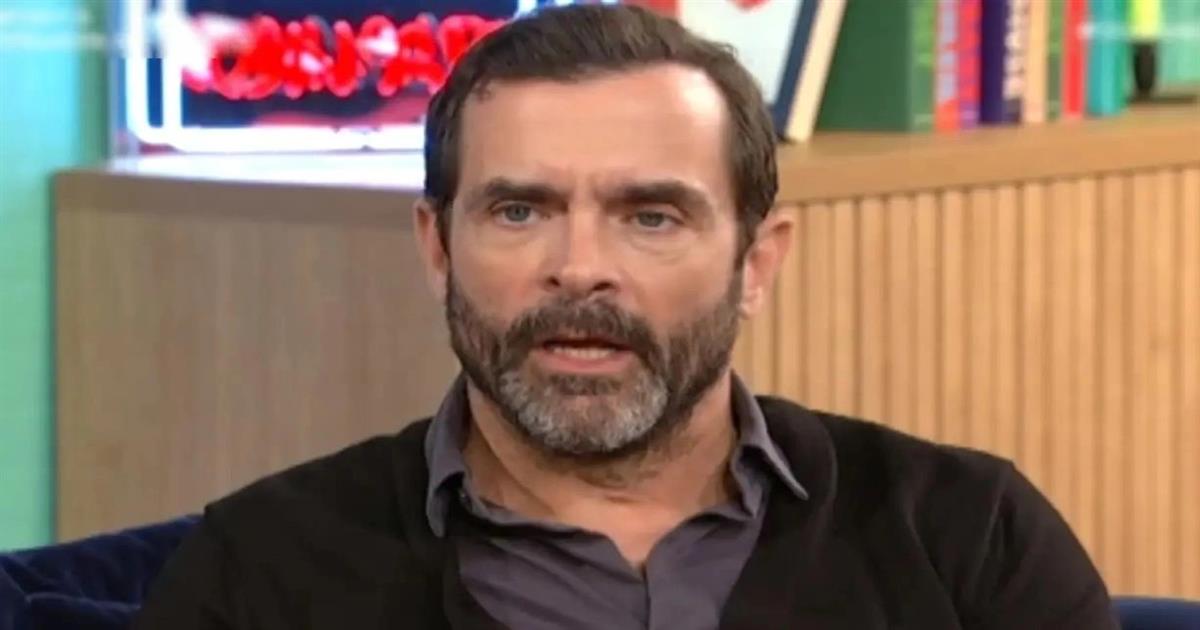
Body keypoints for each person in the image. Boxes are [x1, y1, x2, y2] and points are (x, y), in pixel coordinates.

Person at [133, 5, 1117, 629]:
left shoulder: (967, 539)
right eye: (520, 211)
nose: (580, 270)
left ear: (756, 263)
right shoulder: (259, 574)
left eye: (651, 217)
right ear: (437, 250)